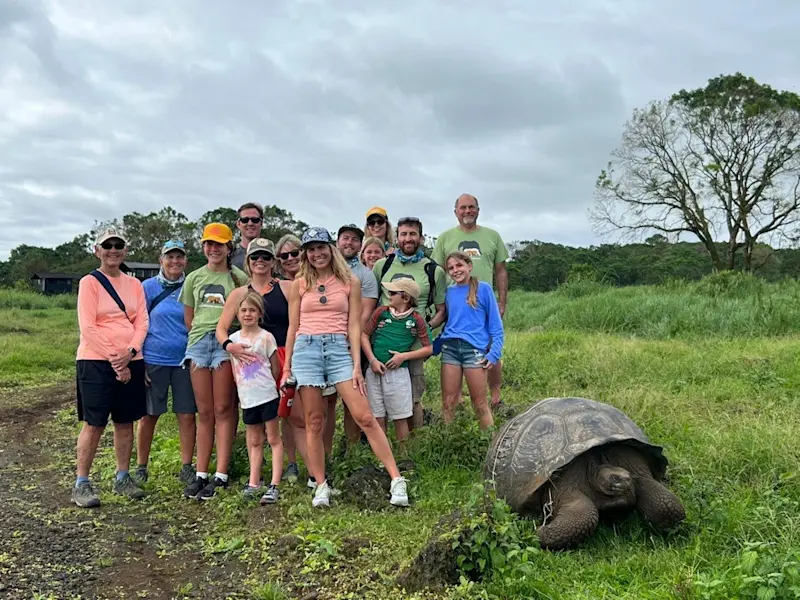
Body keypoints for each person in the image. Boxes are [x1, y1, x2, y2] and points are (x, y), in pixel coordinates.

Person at [282, 226, 408, 508]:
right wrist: (287, 366)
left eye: (321, 248)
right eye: (311, 250)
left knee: (364, 416)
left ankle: (396, 479)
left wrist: (354, 365)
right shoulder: (299, 284)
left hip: (339, 349)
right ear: (306, 254)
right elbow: (293, 327)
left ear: (331, 249)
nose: (317, 254)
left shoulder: (350, 281)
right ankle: (321, 484)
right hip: (307, 350)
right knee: (315, 422)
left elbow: (353, 325)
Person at [216, 237, 309, 485]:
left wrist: (290, 360)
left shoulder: (288, 287)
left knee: (294, 415)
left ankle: (306, 469)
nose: (260, 261)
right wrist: (230, 347)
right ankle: (255, 476)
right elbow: (221, 329)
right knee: (255, 419)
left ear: (273, 261)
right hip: (252, 362)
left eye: (266, 257)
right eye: (255, 257)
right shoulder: (239, 294)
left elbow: (298, 324)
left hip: (283, 354)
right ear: (248, 261)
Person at [72, 228, 149, 508]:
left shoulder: (135, 285)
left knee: (125, 420)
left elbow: (142, 323)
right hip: (95, 360)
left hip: (131, 358)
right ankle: (82, 482)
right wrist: (115, 359)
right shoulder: (89, 283)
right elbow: (88, 326)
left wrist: (129, 353)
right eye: (108, 246)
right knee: (94, 423)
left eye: (118, 245)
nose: (113, 250)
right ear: (97, 250)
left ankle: (123, 476)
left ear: (125, 250)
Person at [180, 223, 248, 500]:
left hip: (225, 343)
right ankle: (201, 472)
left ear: (229, 247)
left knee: (223, 408)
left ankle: (221, 473)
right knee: (204, 411)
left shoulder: (239, 278)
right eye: (209, 244)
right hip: (198, 345)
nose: (213, 249)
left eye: (219, 244)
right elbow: (189, 316)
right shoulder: (194, 278)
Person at [432, 194, 508, 407]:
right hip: (457, 304)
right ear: (455, 211)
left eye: (471, 207)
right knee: (458, 347)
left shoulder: (492, 236)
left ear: (478, 210)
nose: (467, 211)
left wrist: (502, 302)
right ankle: (460, 398)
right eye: (463, 207)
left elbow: (501, 270)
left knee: (491, 346)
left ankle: (494, 395)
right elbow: (436, 271)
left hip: (484, 301)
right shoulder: (445, 237)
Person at [373, 217, 446, 432]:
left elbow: (442, 310)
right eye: (403, 234)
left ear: (421, 238)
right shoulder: (382, 265)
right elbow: (372, 301)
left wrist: (425, 328)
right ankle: (382, 447)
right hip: (382, 344)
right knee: (379, 400)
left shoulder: (434, 270)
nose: (408, 238)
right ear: (397, 237)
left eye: (413, 234)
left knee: (413, 398)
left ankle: (413, 450)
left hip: (414, 348)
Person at [135, 240, 197, 486]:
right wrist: (138, 361)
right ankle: (141, 466)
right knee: (149, 415)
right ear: (160, 260)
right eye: (169, 257)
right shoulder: (147, 287)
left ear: (186, 261)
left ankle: (186, 466)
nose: (175, 262)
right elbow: (137, 322)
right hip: (153, 359)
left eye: (179, 257)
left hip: (185, 359)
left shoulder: (192, 285)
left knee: (187, 415)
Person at [361, 278, 432, 453]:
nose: (389, 295)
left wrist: (404, 357)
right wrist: (372, 360)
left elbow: (428, 348)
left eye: (393, 293)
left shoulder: (416, 319)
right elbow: (364, 335)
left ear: (406, 297)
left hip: (399, 373)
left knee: (400, 416)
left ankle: (403, 455)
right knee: (377, 415)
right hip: (375, 370)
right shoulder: (381, 313)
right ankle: (381, 454)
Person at [226, 291, 284, 504]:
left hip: (267, 394)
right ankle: (253, 482)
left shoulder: (266, 337)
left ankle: (275, 484)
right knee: (254, 439)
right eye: (243, 310)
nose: (247, 314)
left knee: (273, 438)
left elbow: (275, 367)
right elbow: (234, 370)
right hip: (247, 397)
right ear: (237, 314)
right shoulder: (233, 340)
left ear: (260, 314)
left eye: (252, 310)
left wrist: (270, 387)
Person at [439, 251, 504, 430]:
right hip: (450, 348)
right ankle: (449, 441)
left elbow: (496, 326)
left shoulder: (483, 289)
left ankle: (488, 443)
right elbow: (448, 321)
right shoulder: (449, 292)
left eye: (459, 265)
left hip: (474, 350)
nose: (455, 270)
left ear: (469, 266)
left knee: (479, 403)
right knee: (448, 403)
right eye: (450, 268)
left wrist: (494, 354)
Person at [336, 224, 379, 448]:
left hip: (351, 343)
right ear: (338, 241)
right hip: (324, 340)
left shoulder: (366, 275)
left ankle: (351, 446)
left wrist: (347, 338)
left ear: (360, 245)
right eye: (345, 238)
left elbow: (365, 313)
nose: (349, 243)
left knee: (351, 399)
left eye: (354, 239)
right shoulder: (325, 269)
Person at [231, 203, 265, 270]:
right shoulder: (229, 256)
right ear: (238, 223)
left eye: (255, 220)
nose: (250, 223)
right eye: (245, 220)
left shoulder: (272, 255)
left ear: (261, 223)